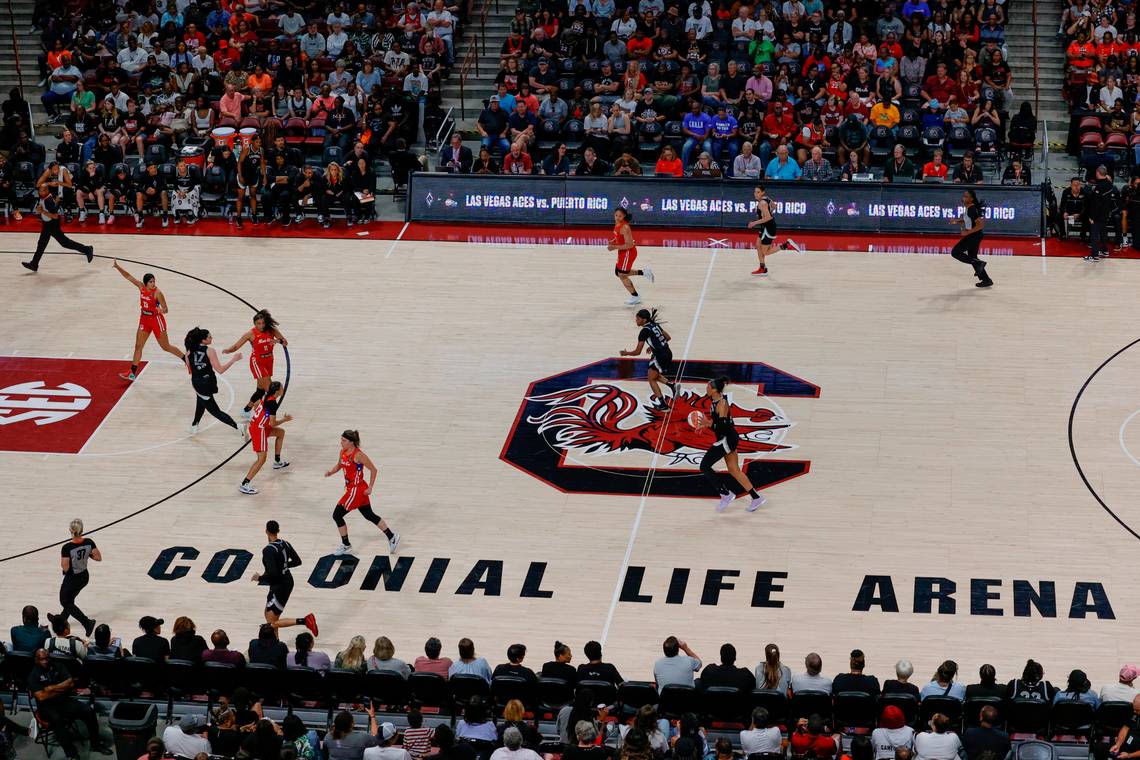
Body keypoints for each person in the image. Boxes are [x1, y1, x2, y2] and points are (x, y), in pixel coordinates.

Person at [695, 376, 767, 512]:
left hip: (727, 439)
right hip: (727, 438)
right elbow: (718, 424)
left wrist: (707, 423)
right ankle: (756, 498)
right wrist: (707, 424)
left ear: (715, 390)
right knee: (734, 470)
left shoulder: (722, 404)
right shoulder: (714, 402)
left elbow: (721, 427)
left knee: (704, 465)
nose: (706, 388)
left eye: (708, 387)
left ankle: (725, 494)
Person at [325, 429, 400, 555]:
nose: (341, 442)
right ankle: (392, 537)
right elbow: (339, 465)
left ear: (352, 442)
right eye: (341, 439)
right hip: (352, 489)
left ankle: (346, 545)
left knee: (337, 515)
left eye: (344, 440)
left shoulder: (358, 455)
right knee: (369, 515)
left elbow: (374, 470)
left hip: (356, 490)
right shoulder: (342, 451)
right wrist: (331, 472)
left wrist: (370, 487)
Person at [28, 648, 113, 758]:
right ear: (36, 660)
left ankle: (95, 744)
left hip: (64, 701)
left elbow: (70, 683)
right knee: (57, 720)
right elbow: (41, 696)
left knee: (89, 711)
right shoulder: (33, 675)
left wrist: (51, 688)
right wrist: (60, 688)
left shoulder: (58, 666)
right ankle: (72, 754)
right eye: (42, 659)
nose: (46, 661)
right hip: (46, 707)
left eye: (47, 658)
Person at [113, 260, 186, 381]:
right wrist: (117, 267)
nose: (153, 283)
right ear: (146, 283)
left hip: (157, 320)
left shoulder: (158, 293)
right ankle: (132, 372)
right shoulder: (141, 287)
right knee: (138, 346)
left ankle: (185, 359)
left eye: (154, 281)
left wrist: (160, 310)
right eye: (151, 281)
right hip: (144, 319)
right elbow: (128, 276)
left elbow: (166, 309)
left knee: (165, 346)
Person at [252, 520, 319, 635]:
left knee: (271, 623)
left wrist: (260, 578)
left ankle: (305, 621)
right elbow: (297, 561)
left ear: (266, 531)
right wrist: (284, 566)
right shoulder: (285, 543)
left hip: (279, 585)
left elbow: (273, 575)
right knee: (269, 616)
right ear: (278, 530)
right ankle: (276, 642)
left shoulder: (268, 550)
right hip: (287, 580)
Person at [224, 310, 288, 422]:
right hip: (257, 362)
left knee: (261, 390)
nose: (261, 325)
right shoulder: (250, 334)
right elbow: (236, 345)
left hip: (269, 360)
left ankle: (246, 410)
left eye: (263, 323)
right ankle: (267, 416)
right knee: (271, 390)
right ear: (254, 324)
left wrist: (277, 341)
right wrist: (229, 350)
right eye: (258, 323)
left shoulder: (272, 330)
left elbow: (285, 342)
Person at [184, 327, 243, 437]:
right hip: (209, 382)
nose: (212, 338)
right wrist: (234, 359)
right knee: (207, 405)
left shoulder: (188, 352)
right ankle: (195, 424)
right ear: (203, 340)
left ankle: (236, 426)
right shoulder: (209, 350)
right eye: (209, 337)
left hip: (198, 383)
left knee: (208, 405)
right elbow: (220, 370)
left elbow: (189, 367)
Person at [21, 184, 94, 273]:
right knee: (42, 244)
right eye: (40, 191)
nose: (41, 192)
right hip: (46, 224)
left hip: (52, 225)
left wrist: (42, 211)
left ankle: (87, 249)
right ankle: (34, 264)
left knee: (64, 243)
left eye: (43, 190)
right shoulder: (44, 197)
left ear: (47, 191)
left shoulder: (48, 201)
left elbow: (55, 216)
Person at [240, 381, 291, 494]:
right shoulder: (272, 403)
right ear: (277, 391)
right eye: (282, 387)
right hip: (259, 429)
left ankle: (277, 462)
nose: (284, 389)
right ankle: (245, 484)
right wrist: (284, 420)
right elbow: (273, 423)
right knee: (262, 459)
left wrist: (265, 415)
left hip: (258, 424)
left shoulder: (267, 396)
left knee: (280, 433)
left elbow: (257, 405)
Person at [620, 308, 676, 408]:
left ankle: (663, 405)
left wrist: (626, 353)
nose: (636, 320)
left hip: (660, 356)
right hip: (667, 352)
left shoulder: (644, 332)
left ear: (644, 320)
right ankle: (672, 385)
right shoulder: (655, 325)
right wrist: (653, 345)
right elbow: (668, 338)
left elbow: (637, 352)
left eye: (638, 319)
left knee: (651, 379)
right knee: (653, 375)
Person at [54, 518, 101, 638]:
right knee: (70, 601)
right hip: (84, 576)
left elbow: (65, 567)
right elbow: (98, 557)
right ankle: (60, 620)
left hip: (72, 578)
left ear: (70, 530)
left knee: (64, 601)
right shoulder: (89, 542)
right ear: (82, 530)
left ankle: (87, 623)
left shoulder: (67, 547)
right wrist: (86, 554)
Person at [746, 184, 801, 277]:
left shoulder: (762, 203)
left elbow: (768, 217)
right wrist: (766, 212)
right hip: (765, 227)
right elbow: (775, 206)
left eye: (758, 192)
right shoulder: (766, 198)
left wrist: (754, 223)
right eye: (755, 191)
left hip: (768, 228)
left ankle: (786, 245)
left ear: (762, 192)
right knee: (758, 245)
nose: (755, 194)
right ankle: (762, 268)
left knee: (765, 252)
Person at [608, 208, 654, 306]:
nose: (617, 217)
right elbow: (620, 237)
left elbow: (629, 245)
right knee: (618, 272)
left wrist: (614, 247)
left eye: (620, 216)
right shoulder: (617, 223)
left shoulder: (625, 227)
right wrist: (614, 240)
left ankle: (635, 296)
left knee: (622, 274)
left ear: (624, 216)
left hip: (628, 253)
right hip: (623, 252)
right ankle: (645, 272)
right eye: (616, 215)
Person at [948, 189, 992, 287]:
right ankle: (986, 280)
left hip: (974, 236)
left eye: (966, 196)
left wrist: (967, 232)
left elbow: (980, 225)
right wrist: (955, 221)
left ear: (971, 199)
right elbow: (966, 220)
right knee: (973, 258)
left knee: (955, 252)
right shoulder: (969, 208)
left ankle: (979, 264)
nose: (963, 197)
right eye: (963, 195)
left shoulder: (972, 209)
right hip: (975, 235)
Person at [1085, 165, 1117, 261]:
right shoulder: (1110, 184)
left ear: (1098, 173)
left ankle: (1094, 255)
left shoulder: (1100, 186)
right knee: (1103, 233)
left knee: (1094, 234)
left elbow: (1096, 204)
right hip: (1105, 213)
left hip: (1098, 215)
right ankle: (1105, 250)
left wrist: (1092, 217)